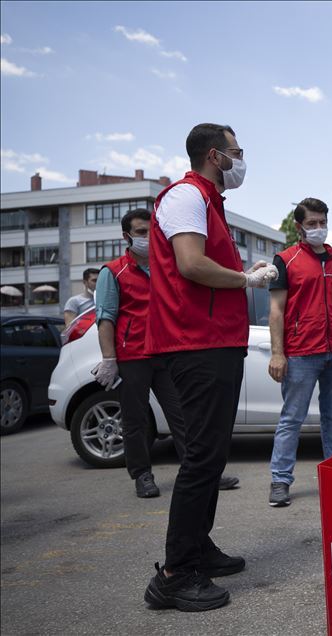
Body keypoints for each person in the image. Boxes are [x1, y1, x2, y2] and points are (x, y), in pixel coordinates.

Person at [142, 123, 278, 612]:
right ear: (216, 156)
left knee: (213, 453)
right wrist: (246, 279)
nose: (243, 160)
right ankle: (175, 574)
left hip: (215, 342)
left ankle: (198, 548)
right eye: (238, 151)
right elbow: (191, 265)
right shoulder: (185, 196)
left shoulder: (210, 203)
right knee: (201, 457)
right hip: (193, 343)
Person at [92, 208, 239, 498]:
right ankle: (142, 476)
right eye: (140, 232)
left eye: (151, 231)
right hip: (132, 356)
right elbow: (105, 318)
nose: (147, 237)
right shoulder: (114, 272)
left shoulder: (166, 266)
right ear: (127, 236)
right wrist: (110, 359)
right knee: (135, 421)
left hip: (166, 352)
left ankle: (201, 473)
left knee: (184, 417)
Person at [266, 197, 332, 507]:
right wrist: (277, 353)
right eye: (312, 224)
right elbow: (276, 310)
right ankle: (280, 481)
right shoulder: (285, 260)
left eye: (322, 223)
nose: (318, 228)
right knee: (291, 419)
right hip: (301, 352)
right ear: (299, 227)